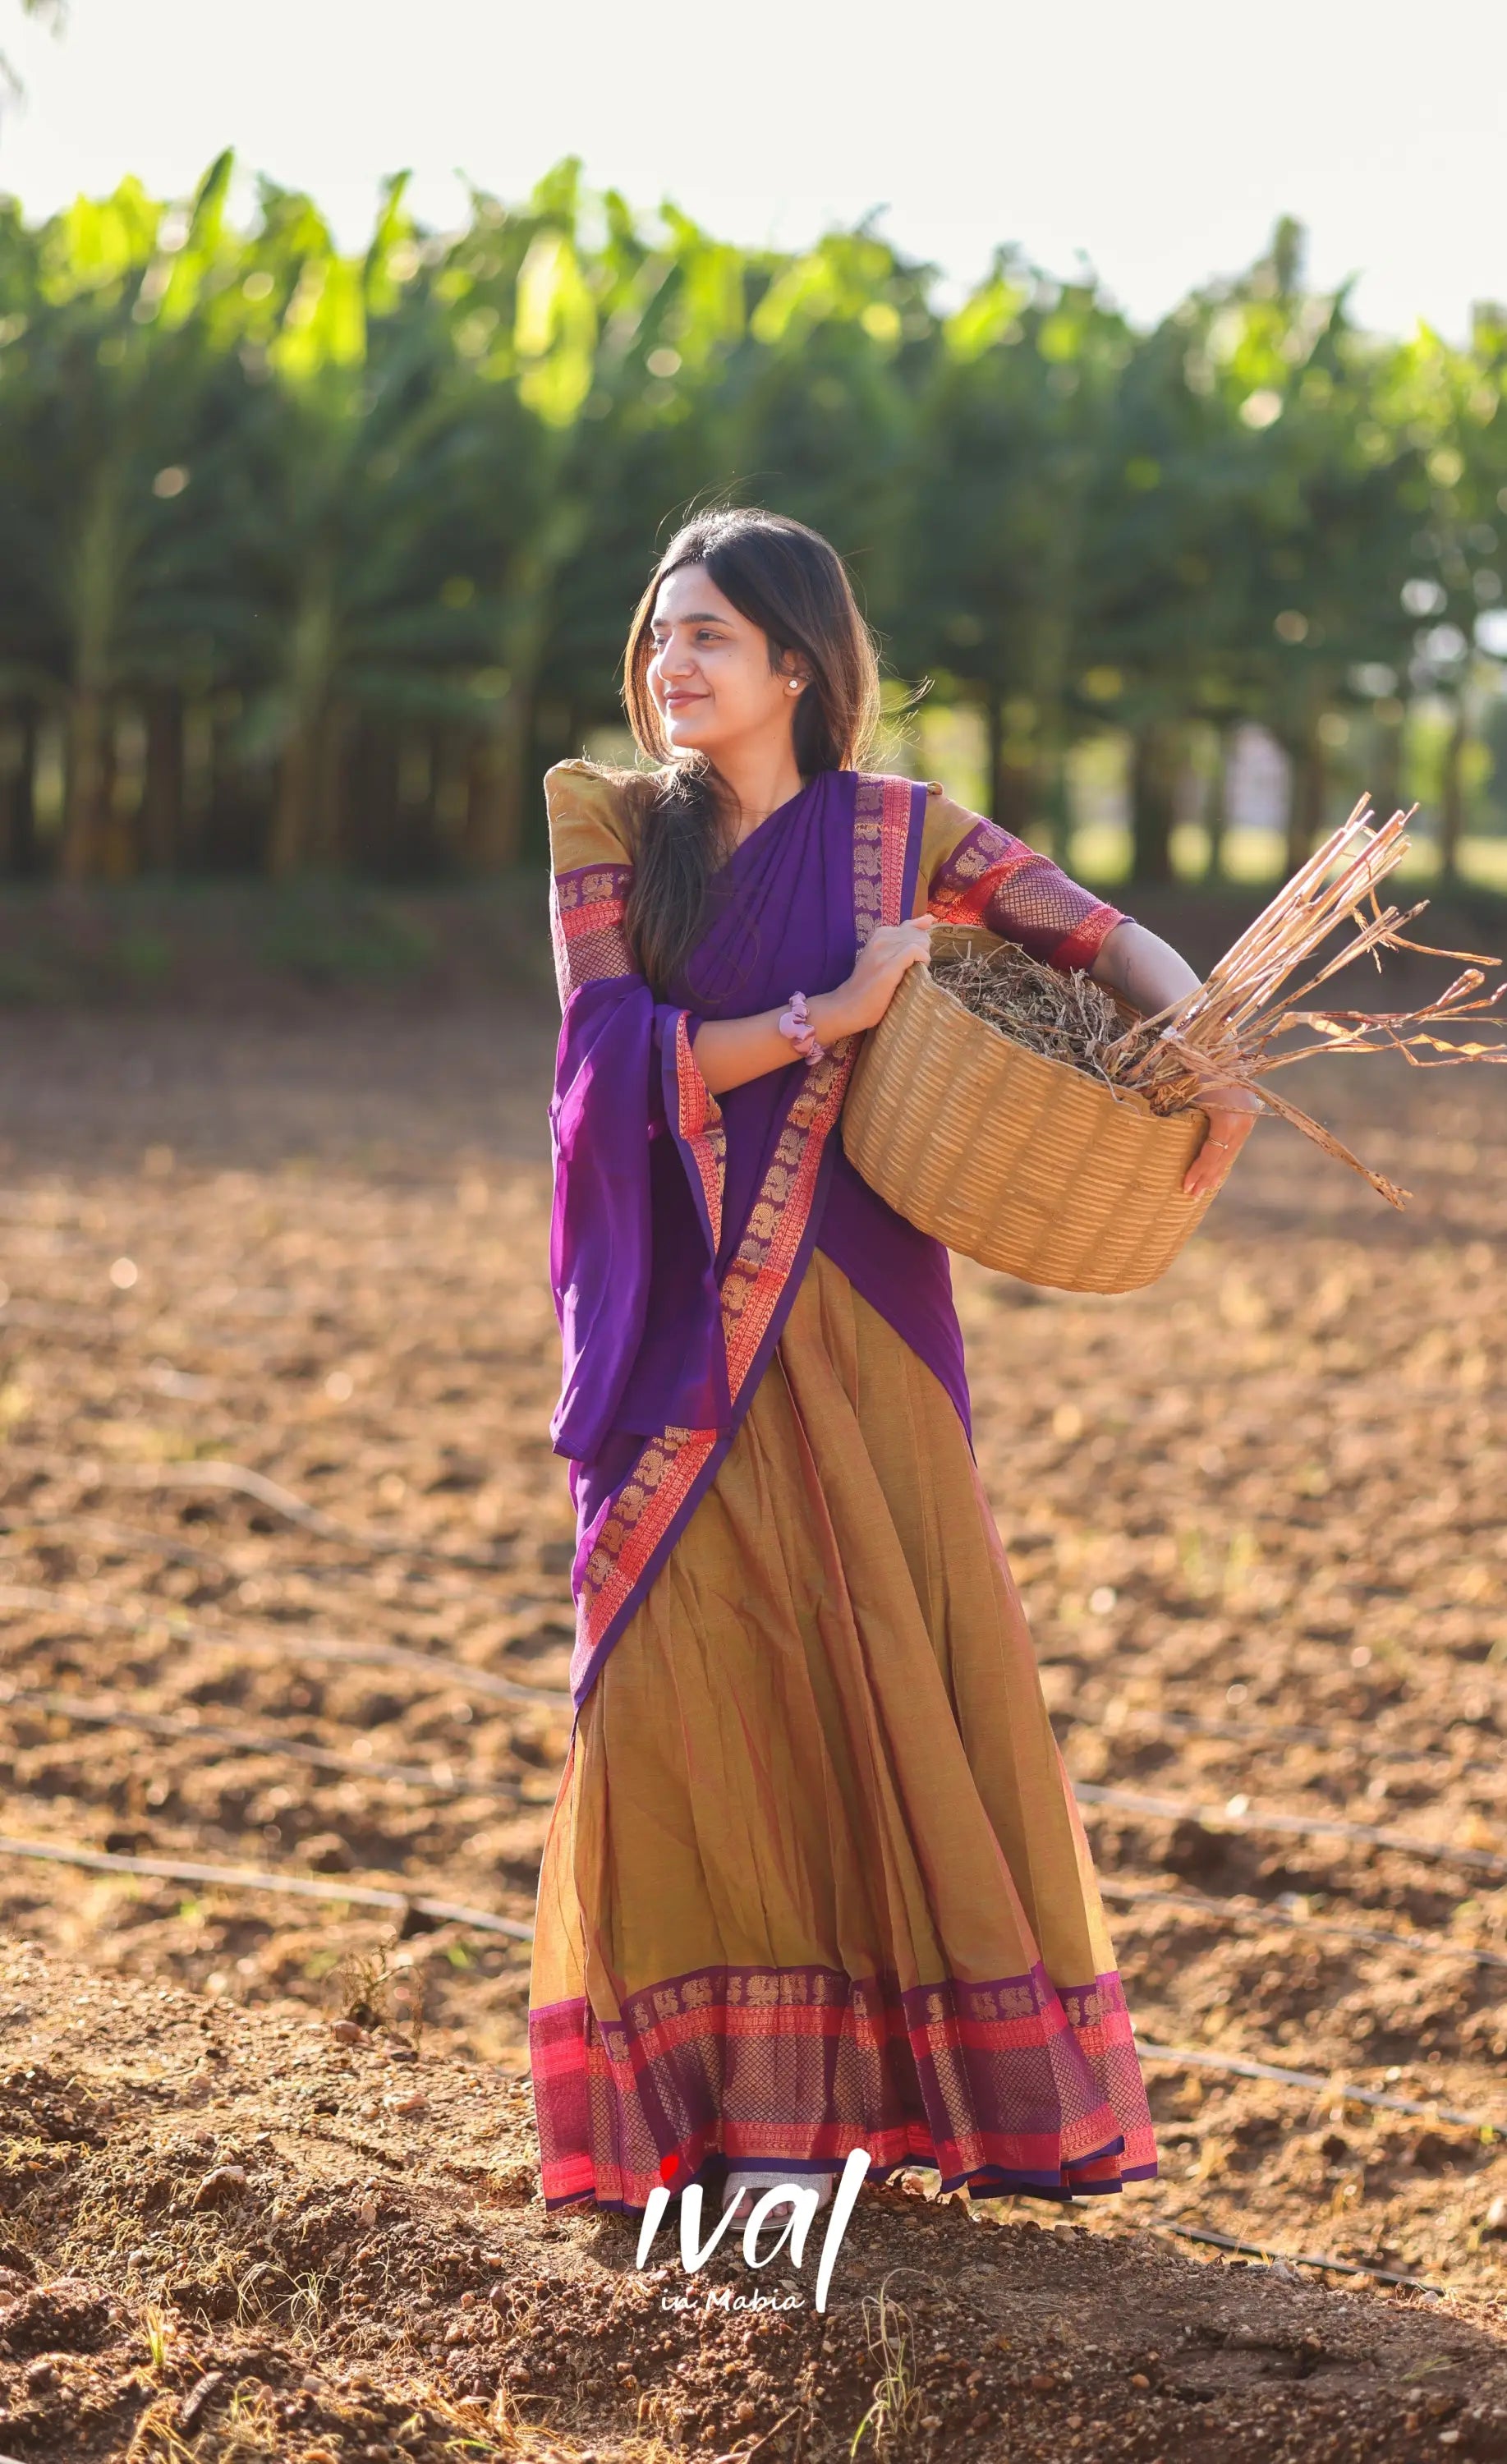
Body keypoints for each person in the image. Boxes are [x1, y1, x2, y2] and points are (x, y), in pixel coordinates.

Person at [528, 507, 1257, 2227]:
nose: (670, 664)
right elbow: (601, 1055)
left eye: (708, 634)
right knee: (679, 1687)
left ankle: (900, 2105)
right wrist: (824, 1024)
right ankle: (717, 2114)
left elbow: (1096, 936)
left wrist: (1208, 1045)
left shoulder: (901, 839)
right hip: (681, 1326)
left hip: (865, 1310)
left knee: (886, 1668)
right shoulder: (608, 823)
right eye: (658, 635)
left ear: (799, 663)